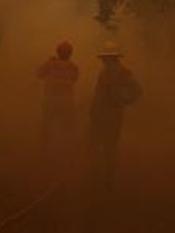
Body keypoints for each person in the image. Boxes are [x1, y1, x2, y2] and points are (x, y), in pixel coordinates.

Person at [85, 40, 141, 209]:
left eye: (109, 58)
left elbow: (137, 91)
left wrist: (122, 100)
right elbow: (98, 94)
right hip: (99, 115)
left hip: (114, 116)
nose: (106, 61)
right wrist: (93, 111)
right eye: (105, 58)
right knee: (92, 146)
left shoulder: (125, 73)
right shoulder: (102, 73)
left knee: (109, 148)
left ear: (115, 58)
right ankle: (94, 178)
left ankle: (108, 181)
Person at [36, 40, 79, 155]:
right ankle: (67, 154)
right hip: (67, 102)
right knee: (68, 129)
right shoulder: (74, 67)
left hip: (51, 100)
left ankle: (44, 153)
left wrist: (51, 63)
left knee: (47, 128)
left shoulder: (50, 64)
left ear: (58, 52)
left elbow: (39, 74)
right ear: (70, 53)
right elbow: (74, 79)